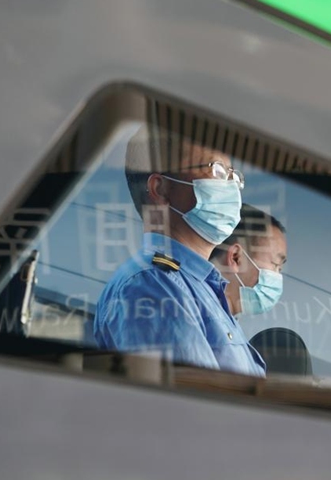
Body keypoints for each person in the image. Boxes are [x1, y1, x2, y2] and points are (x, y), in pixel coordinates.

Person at [93, 126, 266, 378]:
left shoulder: (202, 287)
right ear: (161, 189)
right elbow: (200, 411)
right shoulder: (152, 287)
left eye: (233, 176)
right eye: (217, 171)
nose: (232, 188)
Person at [209, 204, 287, 317]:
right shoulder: (193, 313)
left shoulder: (228, 324)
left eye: (280, 269)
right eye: (276, 264)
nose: (278, 278)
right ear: (236, 257)